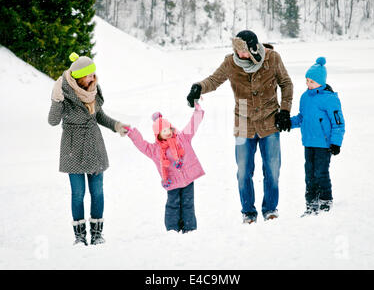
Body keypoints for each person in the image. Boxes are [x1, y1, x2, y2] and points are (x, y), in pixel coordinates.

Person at [186, 30, 293, 223]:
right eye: (236, 50)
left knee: (272, 169)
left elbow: (286, 83)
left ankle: (270, 209)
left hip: (270, 119)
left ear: (253, 49)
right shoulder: (230, 62)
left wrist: (285, 110)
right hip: (243, 122)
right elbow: (214, 80)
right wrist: (198, 87)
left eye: (243, 51)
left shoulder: (273, 58)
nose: (239, 55)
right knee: (243, 170)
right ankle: (248, 212)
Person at [48, 52, 130, 245]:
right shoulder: (64, 92)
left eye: (93, 74)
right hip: (72, 149)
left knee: (97, 192)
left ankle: (97, 234)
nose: (92, 78)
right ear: (77, 76)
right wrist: (56, 100)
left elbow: (99, 116)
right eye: (88, 75)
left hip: (94, 146)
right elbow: (52, 121)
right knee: (78, 193)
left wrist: (116, 125)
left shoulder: (93, 90)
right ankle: (79, 236)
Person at [126, 102, 205, 233]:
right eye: (163, 131)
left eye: (168, 129)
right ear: (158, 134)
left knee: (188, 204)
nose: (167, 132)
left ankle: (189, 228)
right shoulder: (155, 150)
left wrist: (198, 111)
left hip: (188, 178)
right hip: (172, 181)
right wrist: (132, 133)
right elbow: (142, 145)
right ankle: (173, 229)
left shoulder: (182, 138)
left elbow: (192, 126)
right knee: (173, 205)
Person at [290, 57, 345, 216]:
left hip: (324, 144)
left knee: (321, 173)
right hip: (309, 143)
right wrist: (288, 123)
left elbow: (338, 123)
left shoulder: (330, 99)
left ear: (320, 82)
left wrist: (336, 142)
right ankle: (311, 203)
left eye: (311, 81)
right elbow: (302, 118)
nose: (308, 84)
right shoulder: (305, 97)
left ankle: (325, 201)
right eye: (307, 80)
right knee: (309, 174)